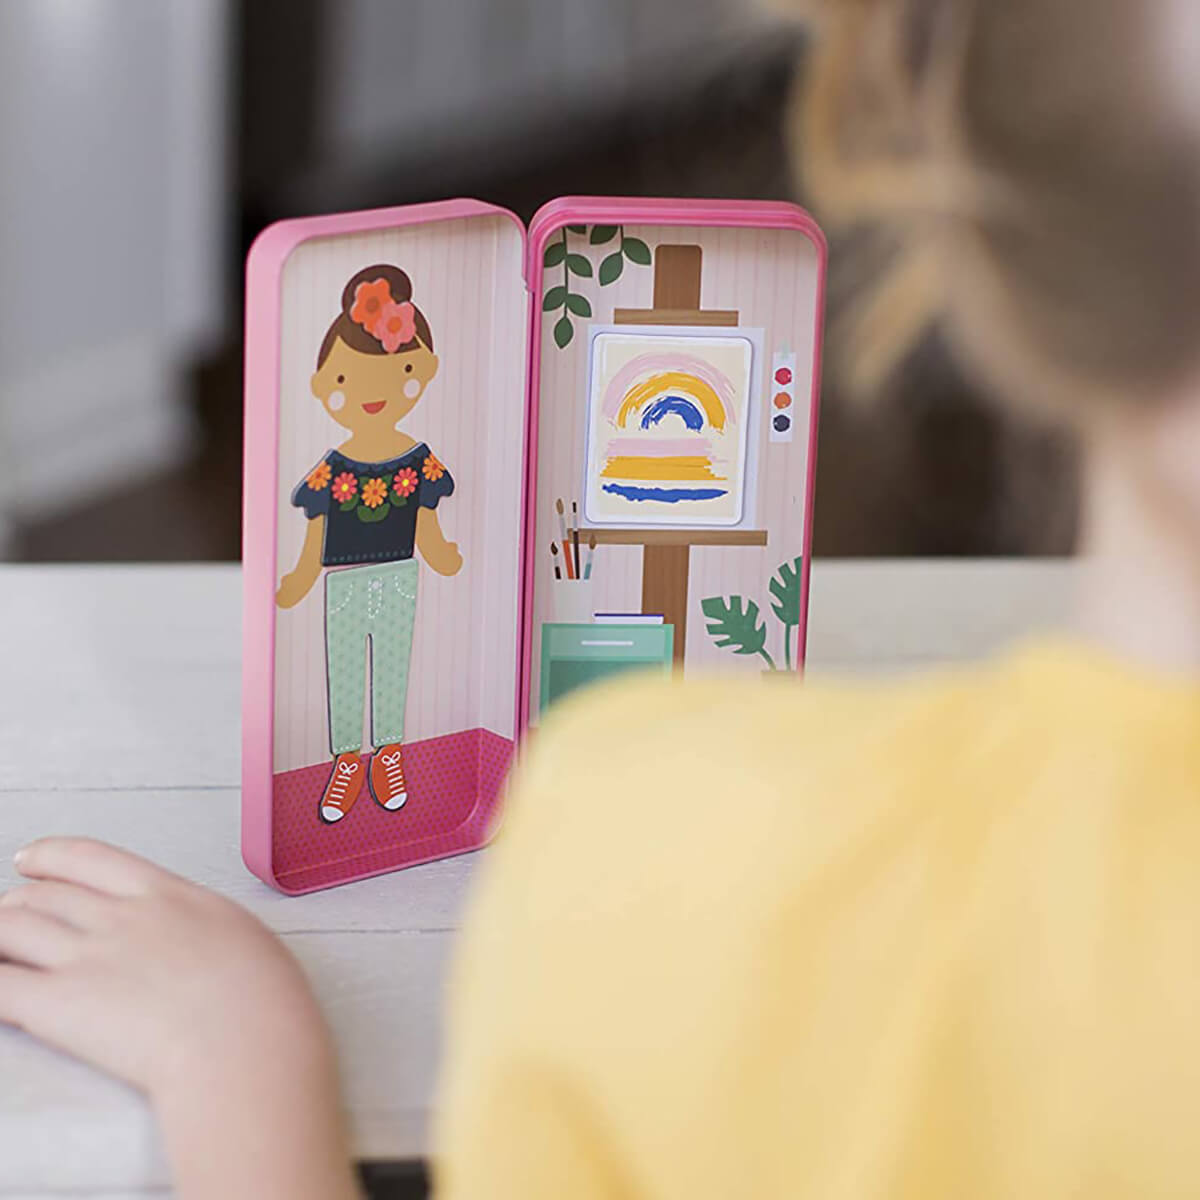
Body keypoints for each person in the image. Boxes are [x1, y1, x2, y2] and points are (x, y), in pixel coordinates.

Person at [3, 1, 1200, 1196]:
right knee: (362, 680)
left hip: (416, 617)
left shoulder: (643, 826)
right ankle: (365, 760)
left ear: (984, 255)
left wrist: (243, 1071)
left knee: (381, 674)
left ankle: (374, 763)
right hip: (379, 597)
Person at [278, 264, 462, 822]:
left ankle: (388, 753)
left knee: (392, 666)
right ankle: (346, 760)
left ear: (422, 371)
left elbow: (425, 519)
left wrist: (441, 553)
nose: (371, 394)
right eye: (345, 378)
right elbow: (316, 528)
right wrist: (301, 577)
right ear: (324, 386)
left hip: (399, 574)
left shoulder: (418, 460)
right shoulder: (332, 468)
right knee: (345, 670)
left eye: (398, 372)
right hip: (343, 581)